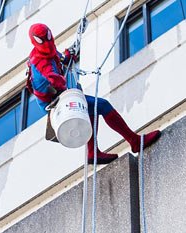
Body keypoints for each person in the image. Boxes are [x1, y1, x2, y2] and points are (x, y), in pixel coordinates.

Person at [26, 22, 161, 164]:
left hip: (58, 96)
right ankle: (134, 141)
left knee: (90, 110)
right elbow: (54, 79)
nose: (47, 43)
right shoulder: (39, 62)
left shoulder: (43, 50)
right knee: (102, 105)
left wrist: (67, 56)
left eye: (47, 38)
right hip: (54, 102)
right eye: (43, 40)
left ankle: (92, 152)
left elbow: (58, 58)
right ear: (36, 41)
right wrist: (66, 83)